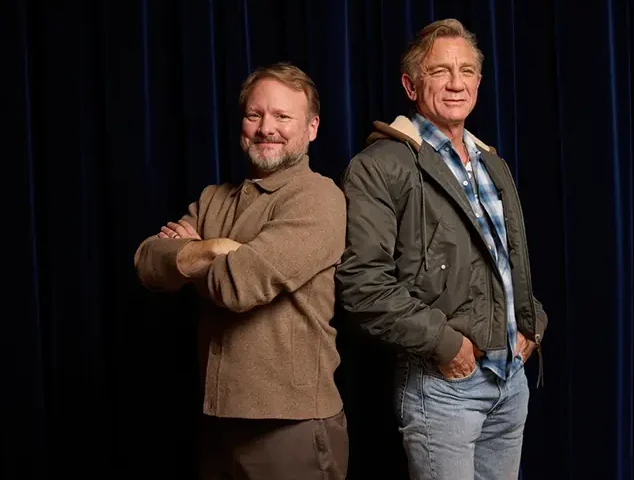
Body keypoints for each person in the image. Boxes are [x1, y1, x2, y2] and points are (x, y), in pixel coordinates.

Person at [335, 19, 548, 480]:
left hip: (510, 382)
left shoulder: (491, 162)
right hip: (444, 384)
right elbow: (361, 285)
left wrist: (532, 322)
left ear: (479, 82)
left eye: (467, 70)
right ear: (410, 85)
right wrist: (446, 345)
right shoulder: (379, 167)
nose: (456, 83)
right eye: (440, 71)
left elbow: (506, 261)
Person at [134, 62, 348, 480]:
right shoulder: (214, 198)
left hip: (291, 428)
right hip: (216, 424)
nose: (267, 127)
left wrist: (187, 254)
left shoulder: (319, 198)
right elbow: (146, 263)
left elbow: (240, 284)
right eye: (255, 115)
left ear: (312, 128)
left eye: (284, 116)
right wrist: (211, 249)